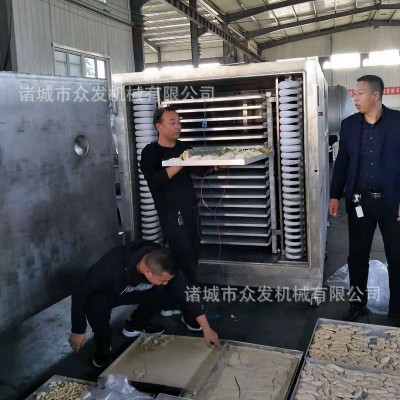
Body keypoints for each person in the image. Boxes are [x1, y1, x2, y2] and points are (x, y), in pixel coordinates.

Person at [69, 240, 221, 368]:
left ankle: (136, 325)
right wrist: (78, 329)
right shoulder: (111, 265)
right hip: (110, 293)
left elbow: (188, 293)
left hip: (139, 291)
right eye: (162, 279)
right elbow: (79, 292)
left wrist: (207, 329)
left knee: (168, 290)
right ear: (148, 272)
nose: (166, 281)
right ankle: (103, 348)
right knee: (95, 305)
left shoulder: (163, 261)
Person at [329, 75, 400, 326]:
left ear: (376, 95)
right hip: (360, 201)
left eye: (360, 93)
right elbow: (342, 163)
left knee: (396, 257)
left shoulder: (397, 122)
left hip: (392, 203)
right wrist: (335, 195)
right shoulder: (349, 125)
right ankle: (357, 305)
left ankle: (397, 310)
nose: (355, 98)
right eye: (354, 93)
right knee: (357, 256)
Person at [140, 107, 212, 326]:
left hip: (191, 209)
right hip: (172, 213)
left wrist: (216, 164)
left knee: (191, 255)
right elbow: (156, 181)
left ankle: (172, 302)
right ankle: (191, 313)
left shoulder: (184, 148)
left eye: (179, 122)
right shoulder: (151, 152)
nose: (178, 126)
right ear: (158, 126)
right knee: (185, 258)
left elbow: (200, 170)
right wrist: (180, 162)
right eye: (172, 122)